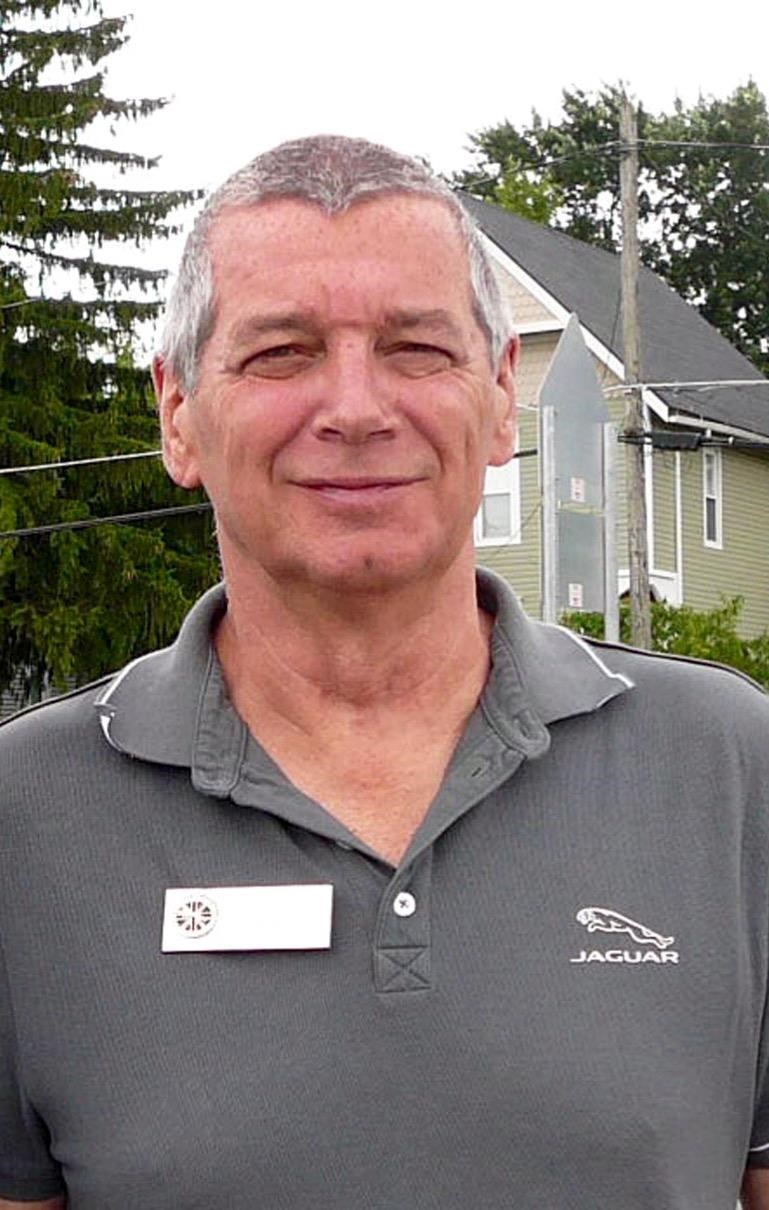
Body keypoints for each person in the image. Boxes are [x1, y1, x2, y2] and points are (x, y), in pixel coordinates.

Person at [1, 135, 768, 1210]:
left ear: (498, 398)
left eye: (416, 349)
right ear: (177, 413)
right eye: (282, 353)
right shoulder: (26, 817)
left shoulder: (727, 768)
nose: (356, 408)